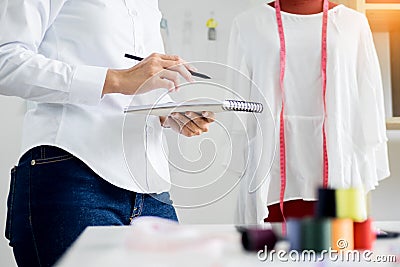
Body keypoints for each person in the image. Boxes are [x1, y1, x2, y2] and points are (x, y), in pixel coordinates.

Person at [0, 0, 215, 266]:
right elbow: (5, 61)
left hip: (150, 191)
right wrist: (115, 80)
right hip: (72, 175)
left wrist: (168, 114)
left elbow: (137, 85)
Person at [227, 0, 390, 224]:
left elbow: (368, 94)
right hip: (269, 176)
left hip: (338, 171)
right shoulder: (247, 24)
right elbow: (239, 105)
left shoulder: (354, 24)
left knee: (337, 250)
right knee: (267, 256)